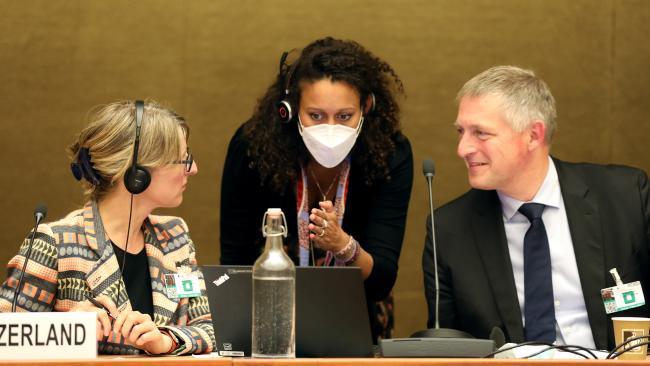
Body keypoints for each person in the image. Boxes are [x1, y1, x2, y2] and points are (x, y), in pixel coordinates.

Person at [423, 65, 650, 350]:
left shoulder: (623, 197)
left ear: (533, 135)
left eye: (480, 133)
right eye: (461, 131)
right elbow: (446, 346)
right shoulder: (450, 230)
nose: (463, 149)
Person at [220, 37, 413, 342]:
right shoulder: (252, 148)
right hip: (265, 317)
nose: (331, 128)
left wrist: (343, 245)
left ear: (366, 107)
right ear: (291, 109)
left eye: (345, 116)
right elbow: (233, 262)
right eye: (316, 115)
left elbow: (381, 280)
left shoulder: (390, 154)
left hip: (356, 319)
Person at [0, 100, 215, 355]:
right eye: (183, 159)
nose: (193, 169)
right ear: (137, 172)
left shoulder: (175, 237)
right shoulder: (55, 243)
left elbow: (211, 326)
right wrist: (66, 327)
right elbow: (6, 336)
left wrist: (165, 340)